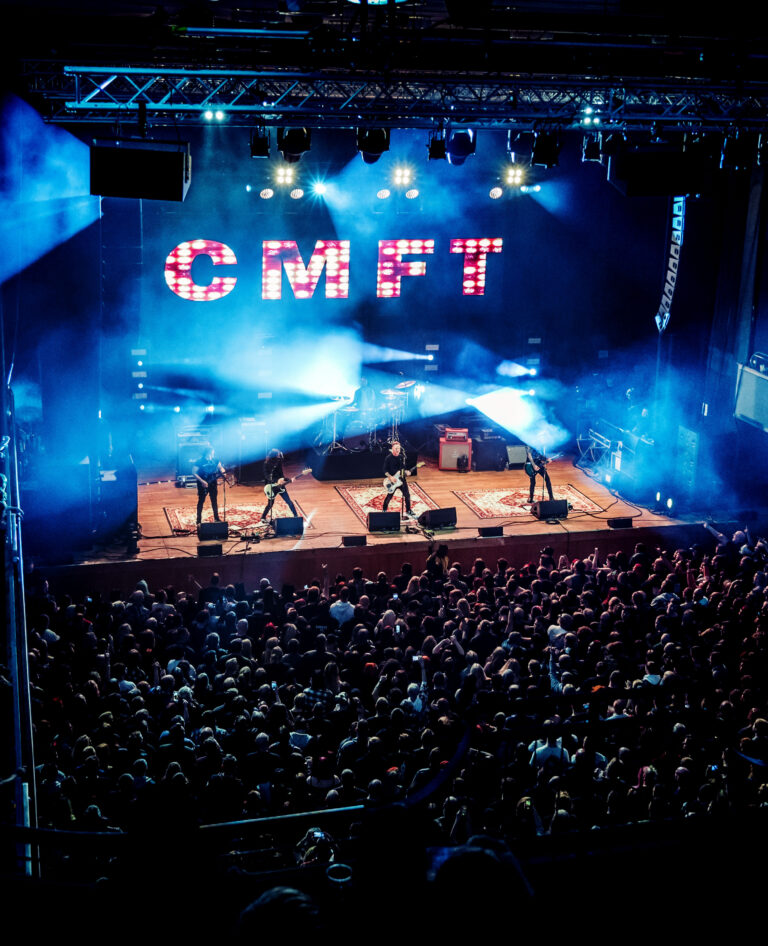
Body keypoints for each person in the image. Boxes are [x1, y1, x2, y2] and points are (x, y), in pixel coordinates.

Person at [262, 449, 298, 523]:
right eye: (278, 454)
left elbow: (281, 475)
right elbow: (266, 476)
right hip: (271, 486)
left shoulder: (278, 462)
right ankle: (263, 517)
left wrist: (288, 479)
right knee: (270, 504)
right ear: (274, 455)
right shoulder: (266, 464)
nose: (279, 455)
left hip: (280, 485)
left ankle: (296, 516)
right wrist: (276, 481)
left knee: (288, 501)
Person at [193, 445, 225, 524]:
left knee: (214, 500)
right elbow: (194, 473)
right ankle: (198, 519)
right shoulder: (199, 461)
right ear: (207, 453)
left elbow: (220, 467)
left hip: (213, 483)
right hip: (203, 483)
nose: (213, 454)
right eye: (211, 452)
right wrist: (202, 481)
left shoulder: (215, 460)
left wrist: (223, 472)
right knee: (201, 500)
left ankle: (216, 518)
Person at [382, 441, 414, 518]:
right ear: (392, 449)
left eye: (399, 448)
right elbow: (384, 470)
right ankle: (384, 510)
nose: (397, 450)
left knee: (407, 495)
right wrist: (390, 477)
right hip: (392, 481)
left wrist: (406, 473)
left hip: (401, 480)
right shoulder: (388, 458)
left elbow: (402, 469)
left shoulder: (401, 457)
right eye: (396, 448)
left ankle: (408, 510)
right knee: (389, 496)